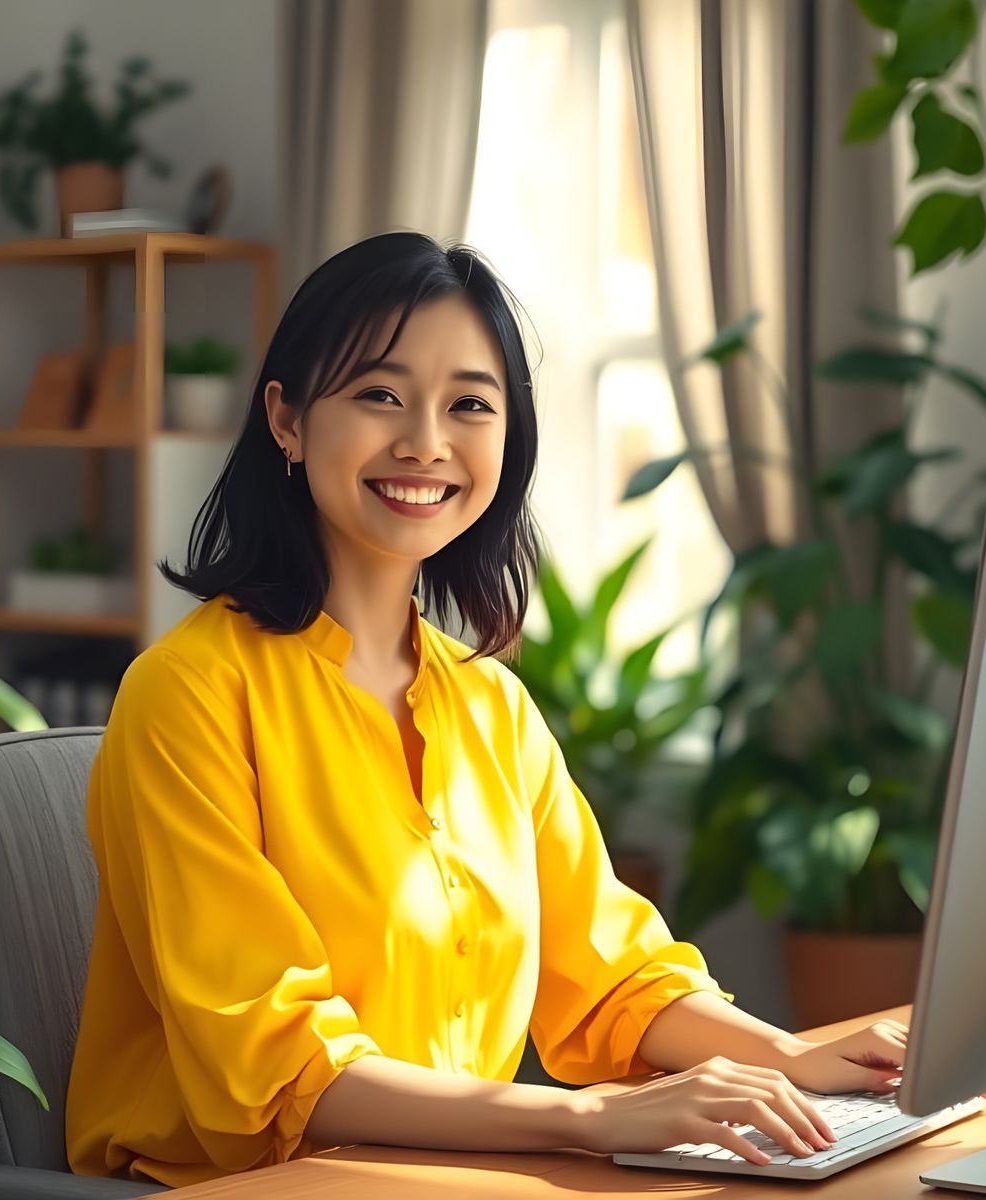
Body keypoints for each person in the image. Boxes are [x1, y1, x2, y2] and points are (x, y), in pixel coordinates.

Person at [64, 231, 918, 1189]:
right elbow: (285, 1069)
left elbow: (614, 981)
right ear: (288, 420)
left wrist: (788, 1059)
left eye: (470, 404)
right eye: (380, 394)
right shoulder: (189, 694)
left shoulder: (492, 707)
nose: (426, 440)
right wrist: (588, 1118)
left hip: (456, 1175)